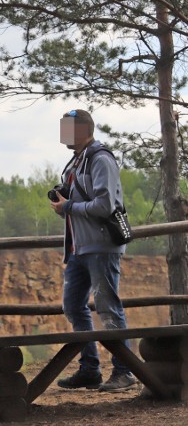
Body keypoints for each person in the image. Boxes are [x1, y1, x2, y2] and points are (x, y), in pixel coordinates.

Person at [49, 109, 138, 392]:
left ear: (84, 129)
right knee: (74, 306)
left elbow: (104, 206)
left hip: (101, 246)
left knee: (108, 308)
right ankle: (90, 369)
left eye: (68, 127)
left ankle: (124, 372)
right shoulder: (75, 162)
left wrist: (70, 207)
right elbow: (77, 208)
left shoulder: (101, 159)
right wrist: (64, 206)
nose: (63, 133)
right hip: (79, 248)